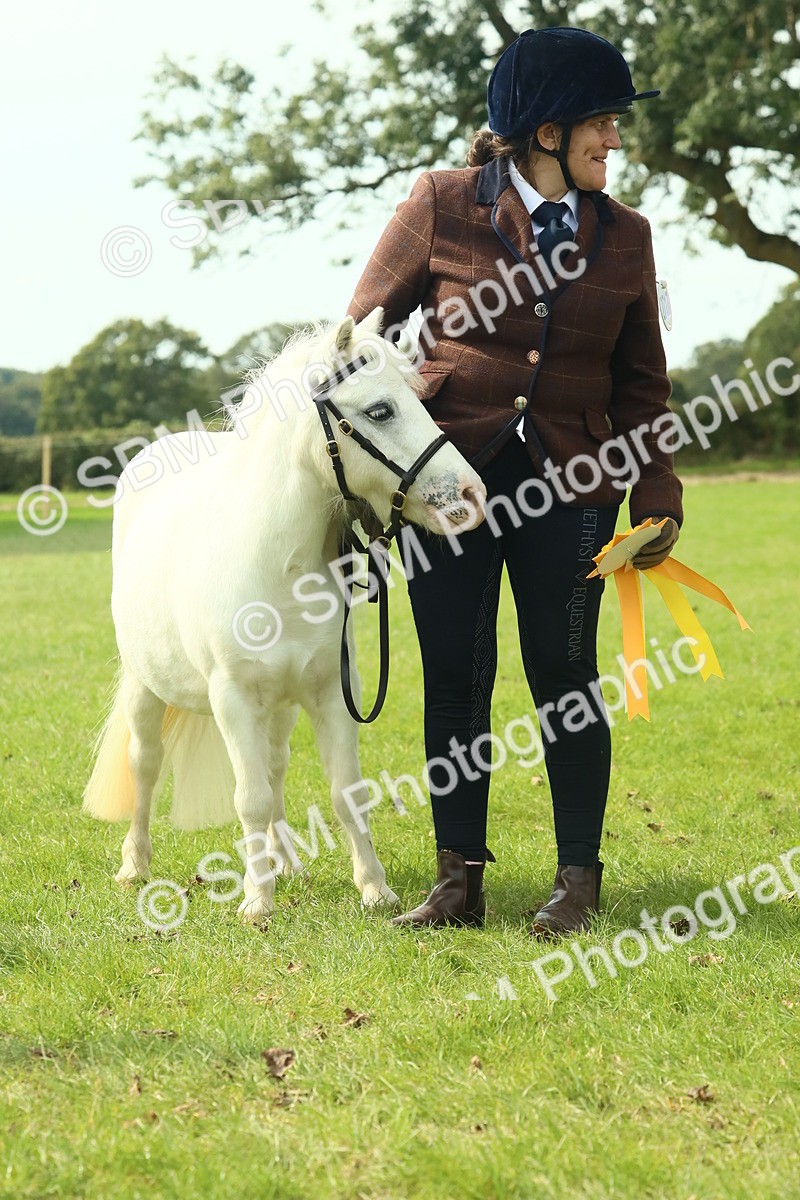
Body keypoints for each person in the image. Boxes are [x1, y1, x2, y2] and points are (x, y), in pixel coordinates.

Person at [346, 26, 683, 936]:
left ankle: (579, 879)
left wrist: (658, 488)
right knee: (454, 672)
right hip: (447, 484)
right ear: (546, 130)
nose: (615, 140)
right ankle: (459, 881)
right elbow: (362, 343)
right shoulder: (443, 203)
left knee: (564, 671)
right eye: (603, 123)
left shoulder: (627, 237)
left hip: (575, 483)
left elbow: (643, 378)